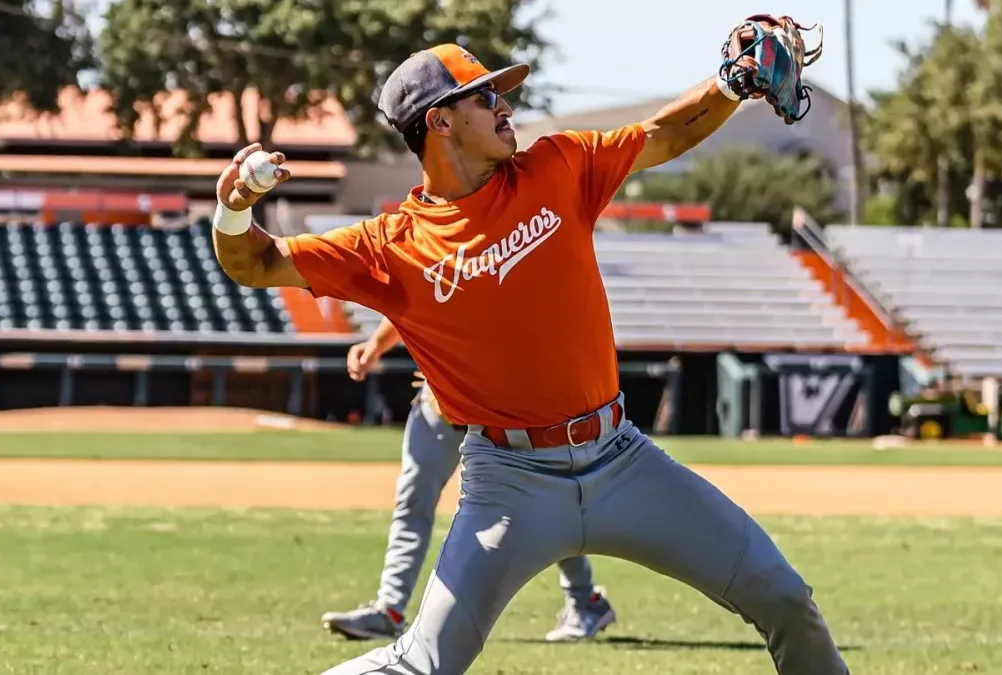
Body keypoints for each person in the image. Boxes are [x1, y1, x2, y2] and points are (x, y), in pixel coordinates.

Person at [211, 37, 849, 675]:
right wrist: (233, 208)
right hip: (508, 484)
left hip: (622, 460)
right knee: (422, 664)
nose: (504, 105)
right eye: (486, 96)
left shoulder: (557, 167)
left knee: (786, 598)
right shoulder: (389, 246)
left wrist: (730, 86)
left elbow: (663, 134)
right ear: (439, 121)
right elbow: (257, 262)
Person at [319, 316, 616, 643]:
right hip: (438, 411)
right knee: (412, 504)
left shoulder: (502, 278)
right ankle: (389, 609)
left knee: (542, 507)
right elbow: (406, 307)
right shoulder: (441, 270)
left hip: (504, 418)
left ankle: (585, 601)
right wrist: (376, 345)